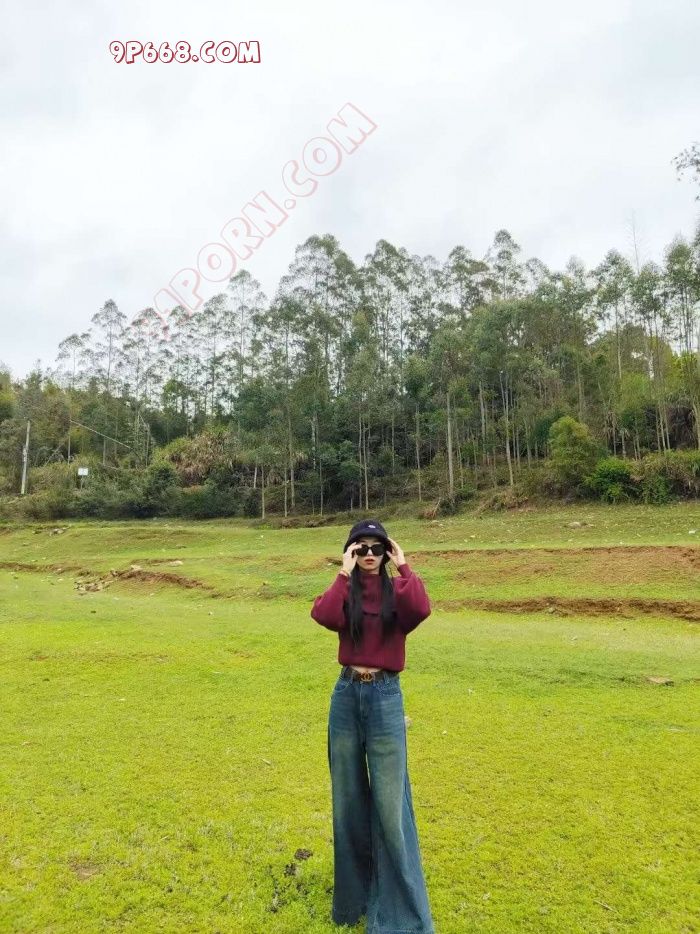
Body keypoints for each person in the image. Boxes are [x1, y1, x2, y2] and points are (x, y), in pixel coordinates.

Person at [310, 519, 435, 934]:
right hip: (346, 695)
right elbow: (323, 615)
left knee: (390, 804)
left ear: (386, 552)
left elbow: (421, 610)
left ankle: (399, 913)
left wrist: (405, 566)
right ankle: (353, 902)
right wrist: (342, 573)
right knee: (346, 797)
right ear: (350, 552)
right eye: (359, 548)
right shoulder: (344, 590)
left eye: (375, 548)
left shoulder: (397, 592)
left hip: (384, 696)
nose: (368, 554)